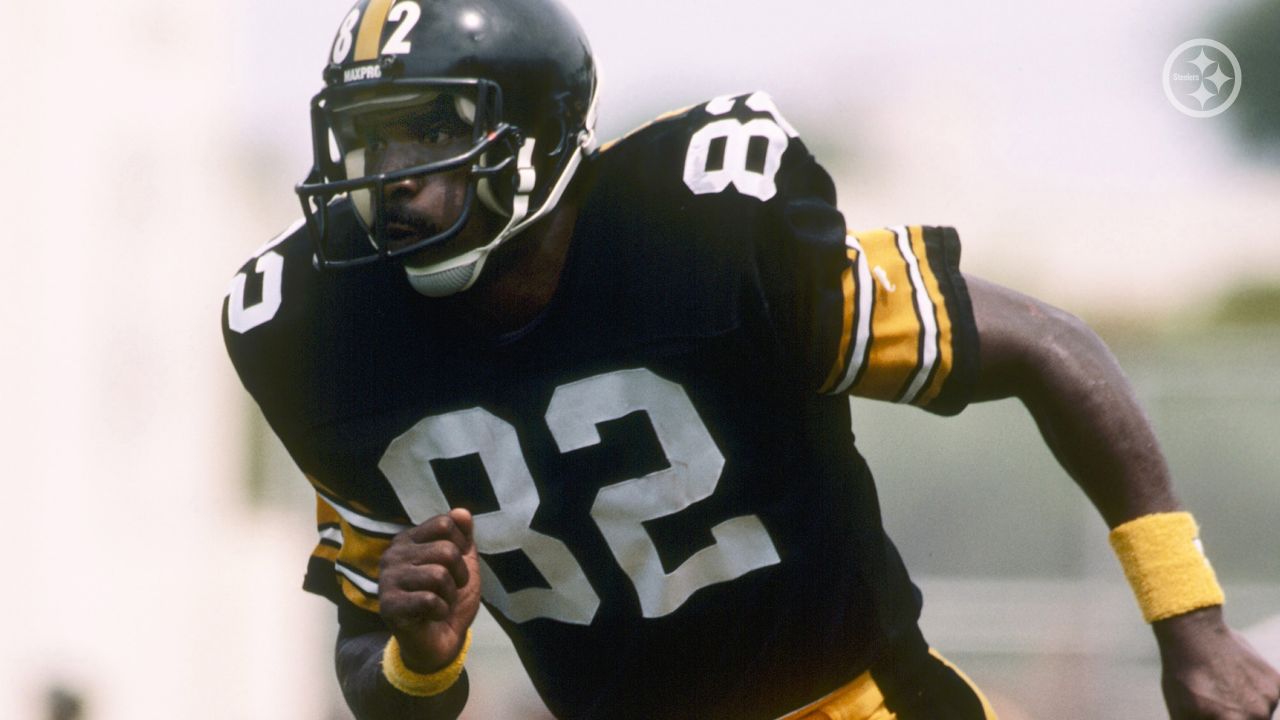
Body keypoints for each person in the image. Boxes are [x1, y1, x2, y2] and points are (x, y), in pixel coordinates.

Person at [221, 0, 1280, 717]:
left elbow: (1046, 349)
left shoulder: (701, 233)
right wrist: (418, 653)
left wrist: (1189, 626)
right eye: (365, 145)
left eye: (421, 136)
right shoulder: (320, 334)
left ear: (533, 137)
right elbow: (378, 677)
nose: (387, 179)